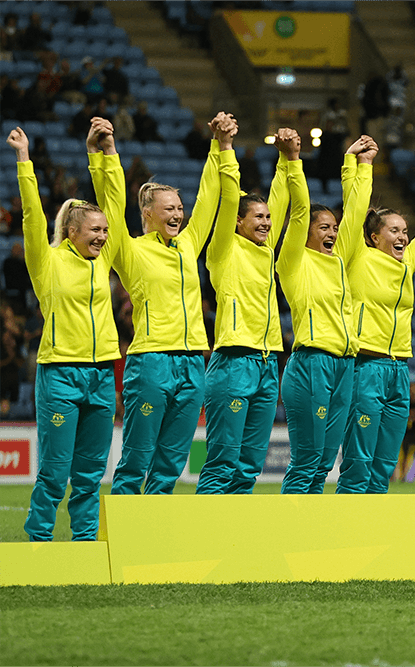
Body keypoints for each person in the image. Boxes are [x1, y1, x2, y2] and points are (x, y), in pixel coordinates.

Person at [90, 113, 234, 495]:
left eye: (178, 208)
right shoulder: (130, 251)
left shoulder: (188, 244)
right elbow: (110, 203)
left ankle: (150, 547)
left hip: (193, 364)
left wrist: (218, 146)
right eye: (168, 208)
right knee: (136, 460)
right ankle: (120, 541)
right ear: (147, 213)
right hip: (151, 362)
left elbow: (208, 197)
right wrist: (106, 155)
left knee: (170, 464)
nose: (177, 214)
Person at [9, 125, 120, 541]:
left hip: (101, 375)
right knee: (55, 471)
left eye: (105, 231)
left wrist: (105, 153)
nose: (103, 237)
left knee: (91, 472)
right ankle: (39, 541)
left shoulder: (103, 258)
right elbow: (32, 217)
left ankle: (85, 540)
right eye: (95, 231)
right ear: (72, 231)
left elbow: (115, 199)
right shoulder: (47, 260)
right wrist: (25, 161)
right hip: (60, 374)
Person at [335, 155, 415, 495]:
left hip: (398, 371)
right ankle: (346, 524)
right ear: (373, 237)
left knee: (385, 462)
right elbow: (355, 209)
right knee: (359, 458)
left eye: (405, 231)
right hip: (365, 366)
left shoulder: (406, 264)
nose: (403, 236)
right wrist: (361, 166)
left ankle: (374, 527)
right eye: (394, 230)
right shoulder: (356, 256)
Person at [272, 135, 377, 494]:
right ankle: (288, 536)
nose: (332, 232)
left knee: (323, 466)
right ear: (305, 234)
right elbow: (300, 210)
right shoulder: (294, 262)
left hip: (344, 366)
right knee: (306, 462)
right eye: (324, 227)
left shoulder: (339, 262)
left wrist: (360, 165)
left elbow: (358, 213)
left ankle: (309, 539)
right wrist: (294, 160)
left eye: (334, 227)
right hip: (311, 363)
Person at [196, 124, 287, 495]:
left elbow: (281, 201)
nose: (266, 222)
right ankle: (204, 543)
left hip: (268, 364)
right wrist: (227, 146)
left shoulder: (266, 252)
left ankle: (231, 547)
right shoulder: (223, 249)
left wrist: (288, 160)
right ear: (238, 221)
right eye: (258, 218)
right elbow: (227, 196)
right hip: (234, 361)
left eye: (268, 218)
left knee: (249, 467)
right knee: (222, 463)